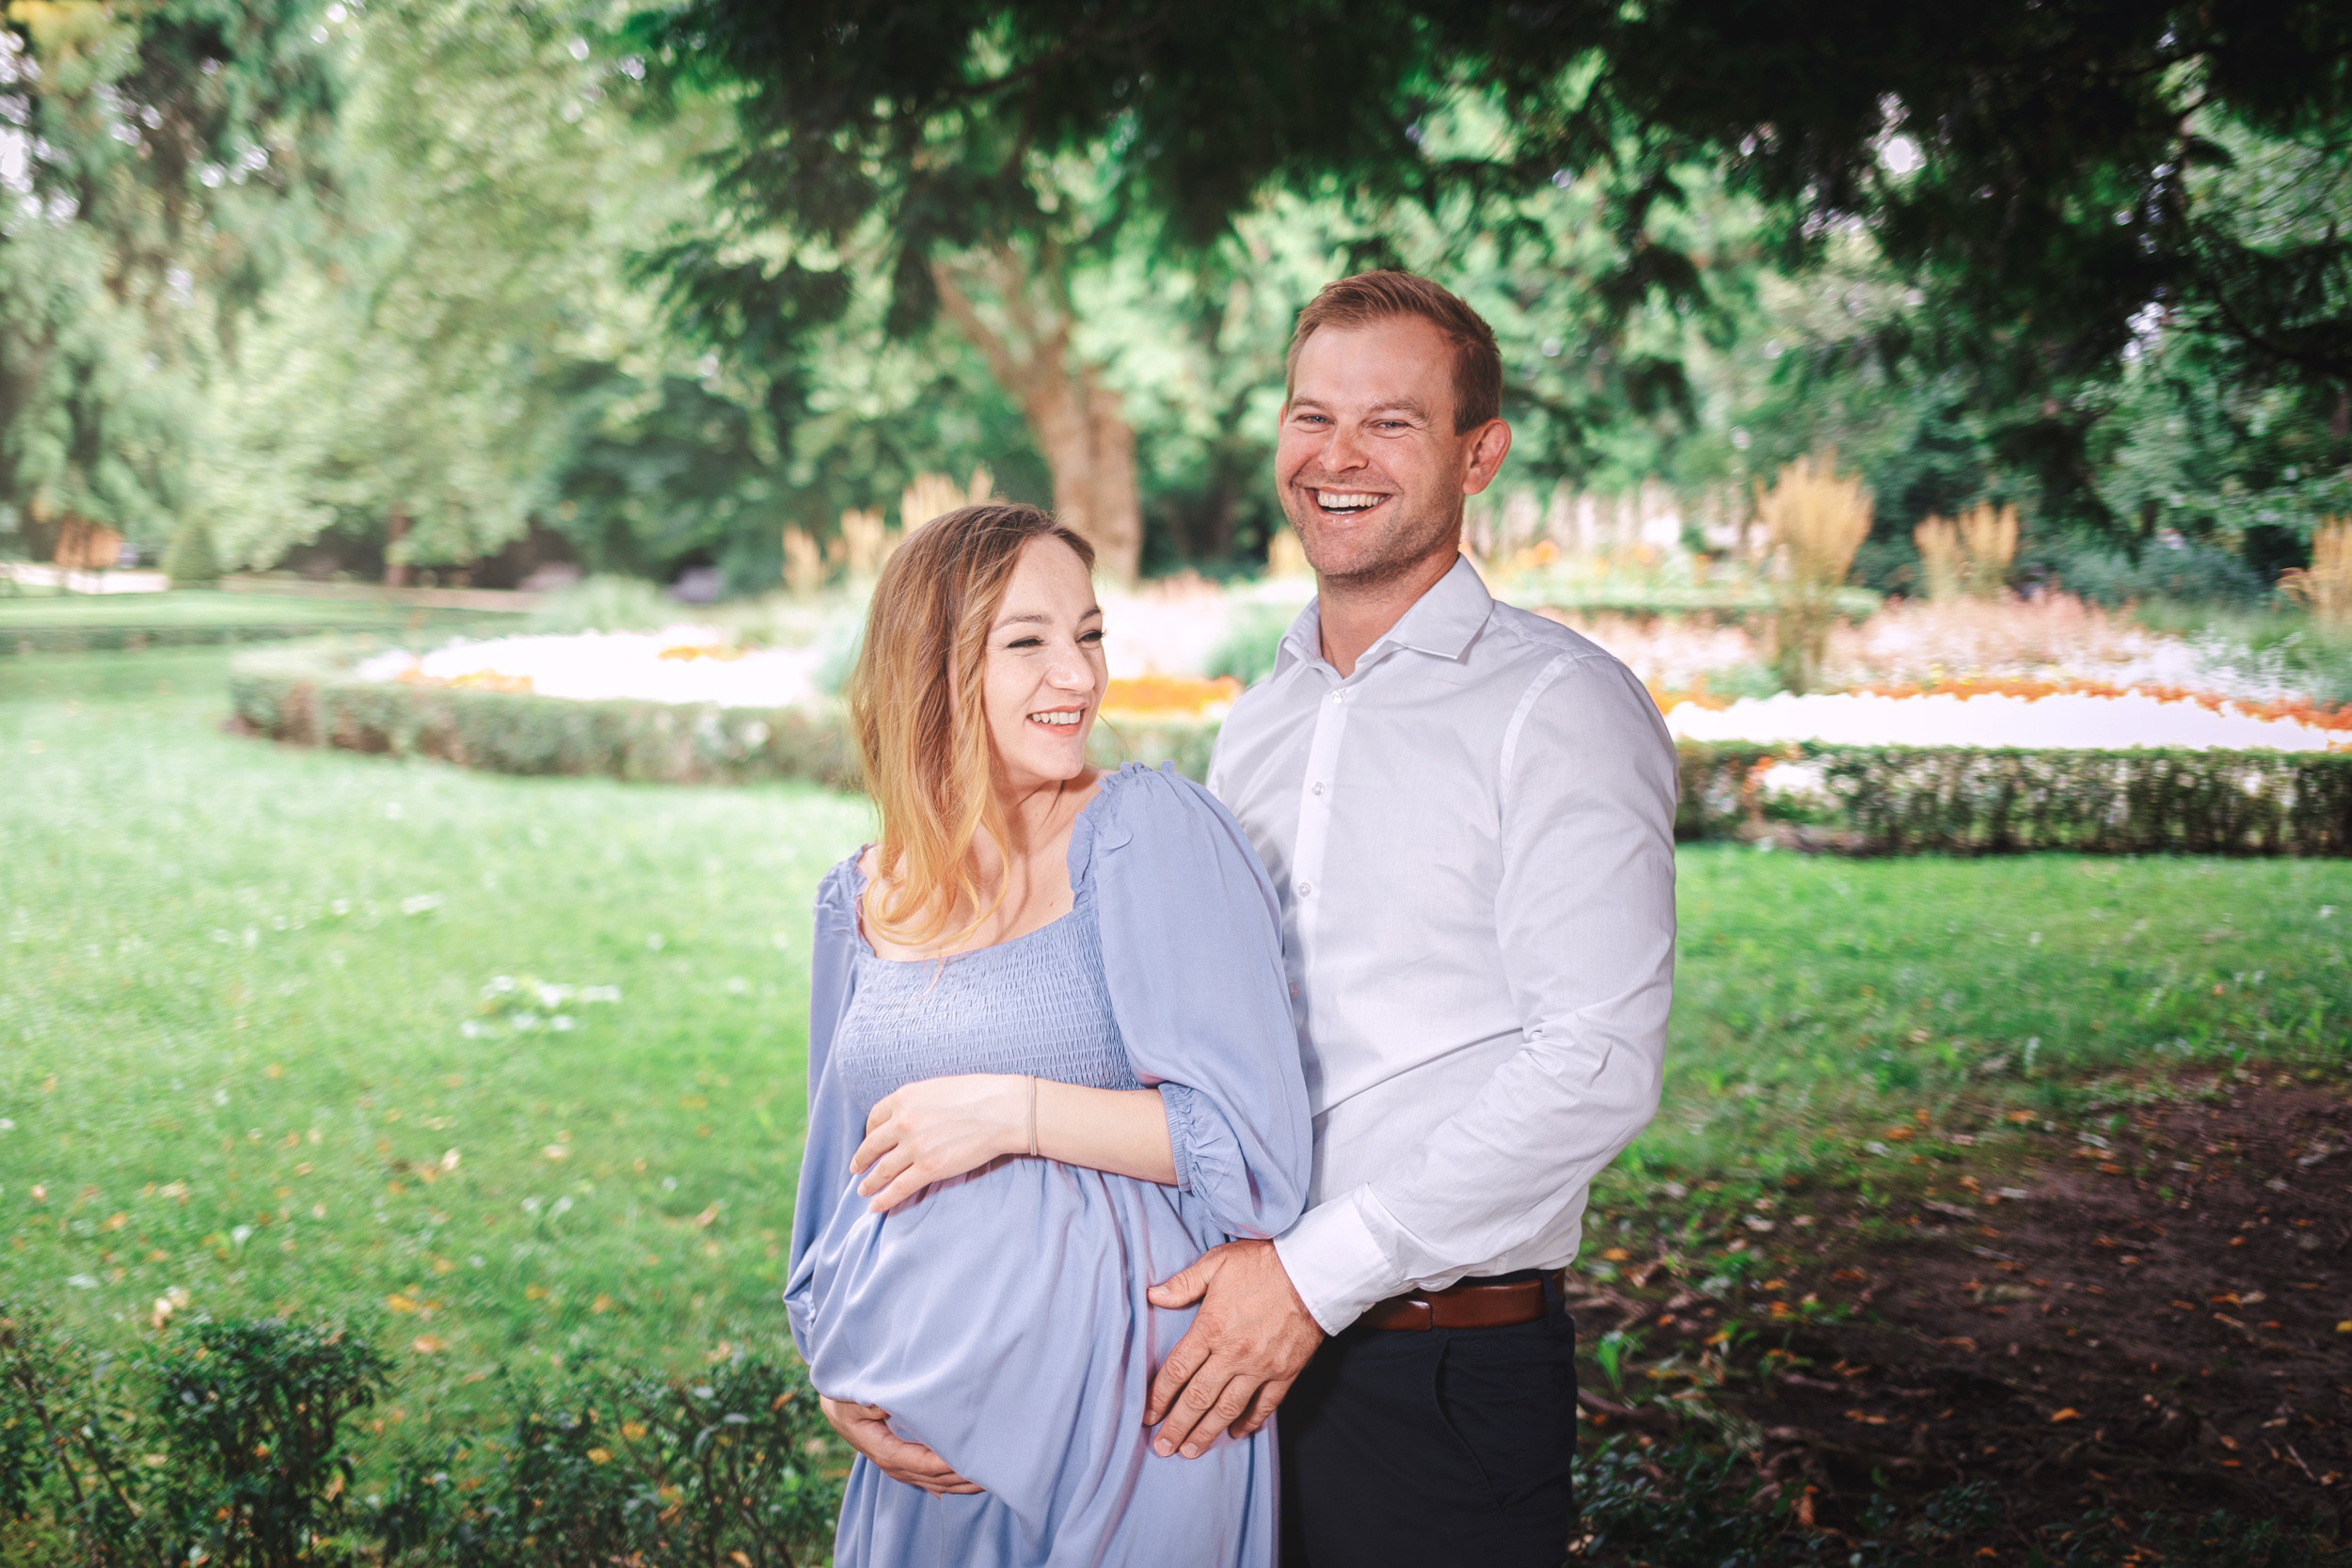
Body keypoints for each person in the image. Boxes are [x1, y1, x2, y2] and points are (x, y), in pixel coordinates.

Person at [1142, 271, 1680, 1565]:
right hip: (1233, 1351)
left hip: (1440, 1370)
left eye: (1389, 422)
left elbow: (1595, 1064)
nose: (1336, 456)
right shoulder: (1259, 715)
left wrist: (1312, 1277)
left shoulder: (1560, 706)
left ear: (1476, 451)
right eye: (1308, 414)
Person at [786, 502, 1313, 1567]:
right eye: (1026, 641)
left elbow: (1255, 1154)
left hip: (1133, 1423)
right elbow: (838, 1181)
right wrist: (835, 1365)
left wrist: (1009, 1112)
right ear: (923, 664)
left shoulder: (1147, 832)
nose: (1076, 675)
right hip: (926, 1448)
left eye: (1089, 633)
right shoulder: (856, 897)